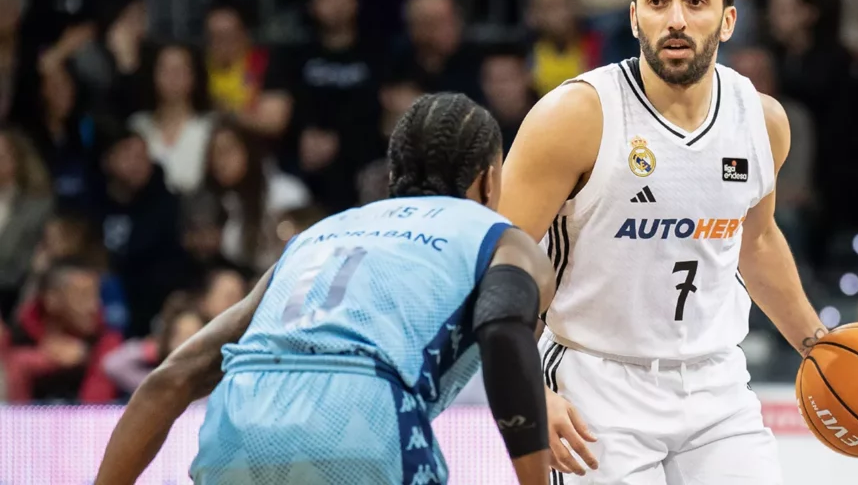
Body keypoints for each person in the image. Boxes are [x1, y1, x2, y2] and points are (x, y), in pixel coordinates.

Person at [499, 0, 827, 484]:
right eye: (657, 1)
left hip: (717, 383)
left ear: (728, 19)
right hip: (595, 382)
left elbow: (757, 241)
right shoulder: (574, 116)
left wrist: (817, 345)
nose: (676, 19)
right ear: (634, 17)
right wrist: (524, 384)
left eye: (695, 1)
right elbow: (499, 259)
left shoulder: (762, 120)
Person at [94, 93, 555, 485]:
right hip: (360, 420)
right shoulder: (498, 236)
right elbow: (502, 331)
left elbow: (173, 377)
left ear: (394, 176)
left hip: (237, 424)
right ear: (489, 179)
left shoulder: (319, 235)